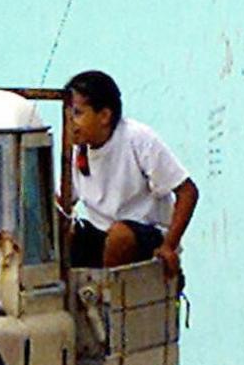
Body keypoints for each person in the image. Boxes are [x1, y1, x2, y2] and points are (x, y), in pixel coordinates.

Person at [63, 70, 199, 275]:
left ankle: (109, 297)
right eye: (67, 114)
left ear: (104, 116)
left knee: (120, 236)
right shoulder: (77, 149)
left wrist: (169, 246)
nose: (70, 123)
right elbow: (63, 202)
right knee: (63, 234)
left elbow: (188, 191)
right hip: (101, 234)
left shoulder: (137, 139)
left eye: (77, 113)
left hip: (143, 234)